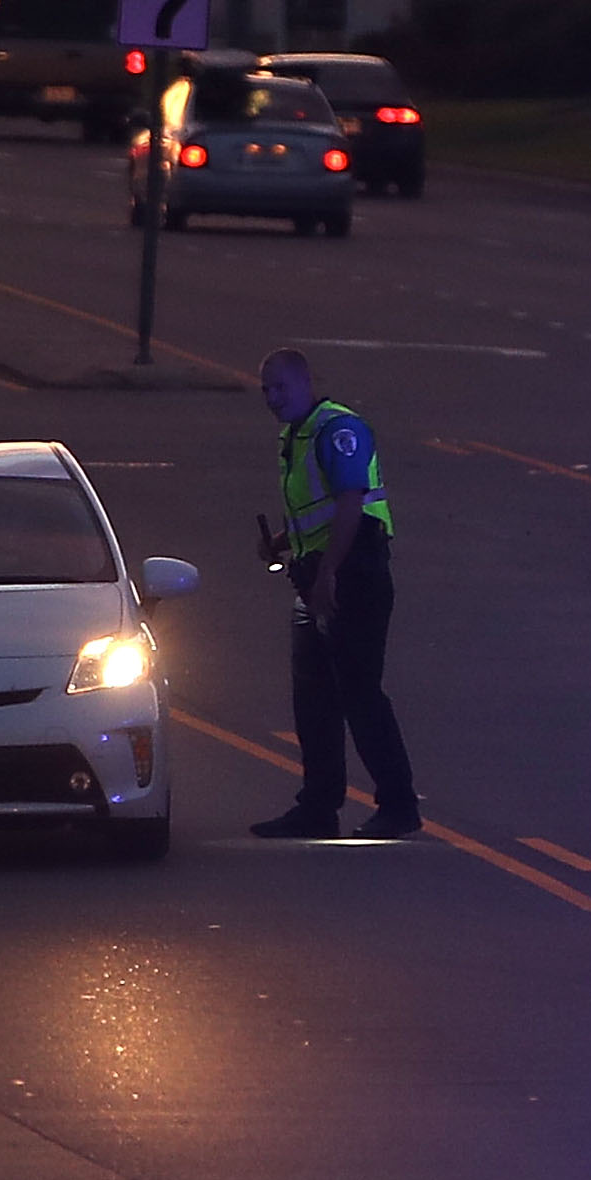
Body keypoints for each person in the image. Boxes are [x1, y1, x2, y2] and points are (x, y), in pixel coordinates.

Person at [251, 347, 422, 840]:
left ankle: (398, 805)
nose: (273, 398)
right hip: (315, 576)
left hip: (353, 578)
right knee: (314, 700)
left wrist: (328, 575)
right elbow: (320, 507)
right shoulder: (296, 435)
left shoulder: (336, 430)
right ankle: (318, 806)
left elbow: (351, 504)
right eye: (266, 390)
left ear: (307, 383)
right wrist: (282, 543)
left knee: (360, 696)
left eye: (281, 387)